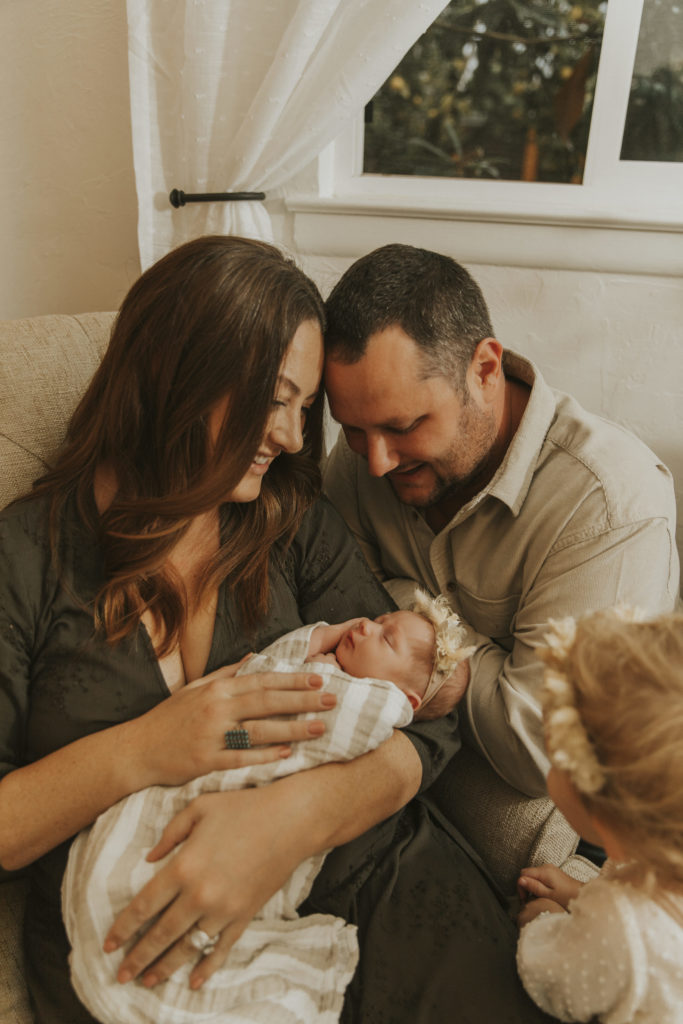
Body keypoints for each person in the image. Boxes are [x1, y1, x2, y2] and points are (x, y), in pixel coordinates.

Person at [0, 234, 552, 1024]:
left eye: (303, 409)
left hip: (372, 886)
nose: (294, 438)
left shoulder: (290, 521)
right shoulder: (25, 557)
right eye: (276, 400)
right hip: (147, 955)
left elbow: (427, 711)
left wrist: (292, 821)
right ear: (180, 374)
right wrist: (143, 749)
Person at [322, 242, 680, 800]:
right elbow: (319, 597)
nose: (376, 462)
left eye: (405, 426)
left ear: (485, 370)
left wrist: (429, 639)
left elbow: (546, 752)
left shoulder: (609, 506)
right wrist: (476, 665)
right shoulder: (366, 455)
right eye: (351, 430)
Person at [63, 596, 473, 1024]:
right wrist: (317, 641)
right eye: (378, 619)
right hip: (226, 766)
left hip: (287, 815)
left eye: (387, 638)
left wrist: (308, 680)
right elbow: (253, 689)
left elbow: (308, 729)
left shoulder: (369, 704)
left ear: (405, 700)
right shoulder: (321, 665)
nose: (366, 626)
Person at [516, 607, 683, 1022]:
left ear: (609, 826)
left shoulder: (620, 925)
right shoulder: (661, 849)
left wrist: (545, 920)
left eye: (557, 762)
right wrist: (579, 894)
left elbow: (550, 979)